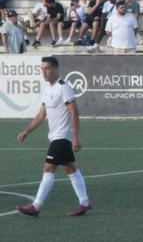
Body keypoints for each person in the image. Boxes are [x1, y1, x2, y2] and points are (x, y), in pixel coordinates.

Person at [15, 57, 92, 217]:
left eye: (47, 68)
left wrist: (76, 137)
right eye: (42, 69)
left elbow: (74, 112)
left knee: (48, 167)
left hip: (62, 136)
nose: (44, 72)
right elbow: (41, 114)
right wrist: (26, 131)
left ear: (56, 69)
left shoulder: (63, 88)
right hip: (56, 136)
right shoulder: (48, 89)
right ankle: (84, 203)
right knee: (70, 168)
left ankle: (36, 206)